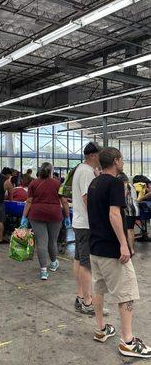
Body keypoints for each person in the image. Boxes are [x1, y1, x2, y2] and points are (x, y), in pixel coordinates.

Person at [87, 147, 151, 358]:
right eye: (122, 159)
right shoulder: (115, 182)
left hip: (95, 247)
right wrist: (124, 244)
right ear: (115, 161)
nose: (123, 162)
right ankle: (128, 341)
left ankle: (101, 329)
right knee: (127, 292)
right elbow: (114, 214)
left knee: (98, 288)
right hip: (110, 249)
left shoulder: (94, 182)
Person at [21, 162, 70, 280]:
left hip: (36, 214)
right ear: (51, 171)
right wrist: (67, 216)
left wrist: (24, 217)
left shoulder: (33, 183)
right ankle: (53, 263)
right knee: (52, 241)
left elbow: (29, 201)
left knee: (41, 242)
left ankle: (43, 271)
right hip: (54, 214)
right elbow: (64, 202)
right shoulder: (57, 183)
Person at [72, 142, 102, 314]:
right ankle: (88, 302)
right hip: (86, 224)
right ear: (92, 155)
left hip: (79, 223)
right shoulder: (86, 172)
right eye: (99, 155)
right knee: (86, 263)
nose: (101, 158)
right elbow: (87, 198)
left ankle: (80, 296)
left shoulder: (81, 170)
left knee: (78, 259)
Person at [117, 172, 139, 255]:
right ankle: (132, 248)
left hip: (129, 210)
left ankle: (131, 249)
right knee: (131, 229)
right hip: (134, 210)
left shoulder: (125, 186)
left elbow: (123, 197)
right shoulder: (131, 185)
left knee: (129, 230)